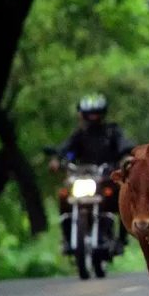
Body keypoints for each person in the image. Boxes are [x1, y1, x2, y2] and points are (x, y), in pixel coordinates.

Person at [49, 94, 135, 254]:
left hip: (107, 177)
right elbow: (67, 150)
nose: (93, 117)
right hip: (83, 177)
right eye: (89, 113)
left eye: (96, 113)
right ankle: (67, 238)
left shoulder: (112, 131)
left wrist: (126, 157)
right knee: (63, 196)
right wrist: (57, 159)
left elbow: (124, 146)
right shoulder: (80, 135)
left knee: (125, 198)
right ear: (83, 114)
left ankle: (121, 239)